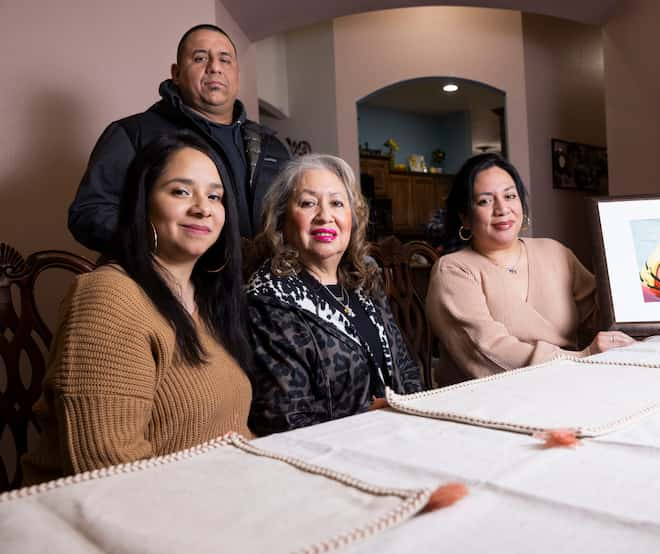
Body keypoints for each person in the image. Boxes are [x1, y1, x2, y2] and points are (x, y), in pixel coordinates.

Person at [23, 131, 253, 484]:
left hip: (220, 496)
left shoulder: (208, 300)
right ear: (142, 202)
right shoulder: (107, 296)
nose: (202, 207)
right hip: (121, 515)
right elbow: (110, 470)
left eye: (215, 196)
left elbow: (234, 432)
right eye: (180, 191)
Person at [68, 23, 291, 254]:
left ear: (236, 74)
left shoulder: (272, 146)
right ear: (176, 73)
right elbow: (88, 213)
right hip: (172, 285)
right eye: (200, 58)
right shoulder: (134, 133)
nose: (215, 67)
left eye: (225, 60)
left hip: (261, 287)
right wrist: (163, 244)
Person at [246, 154, 422, 434]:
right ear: (281, 220)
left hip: (401, 437)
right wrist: (373, 417)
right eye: (308, 203)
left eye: (337, 203)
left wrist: (417, 419)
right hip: (331, 455)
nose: (325, 216)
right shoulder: (269, 299)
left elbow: (405, 368)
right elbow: (285, 419)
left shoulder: (365, 281)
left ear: (352, 218)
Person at [426, 153, 634, 387]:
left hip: (567, 385)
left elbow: (598, 317)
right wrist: (581, 359)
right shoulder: (453, 270)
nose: (502, 208)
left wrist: (621, 275)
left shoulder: (554, 251)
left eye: (510, 196)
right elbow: (487, 351)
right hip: (490, 401)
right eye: (485, 201)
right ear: (465, 216)